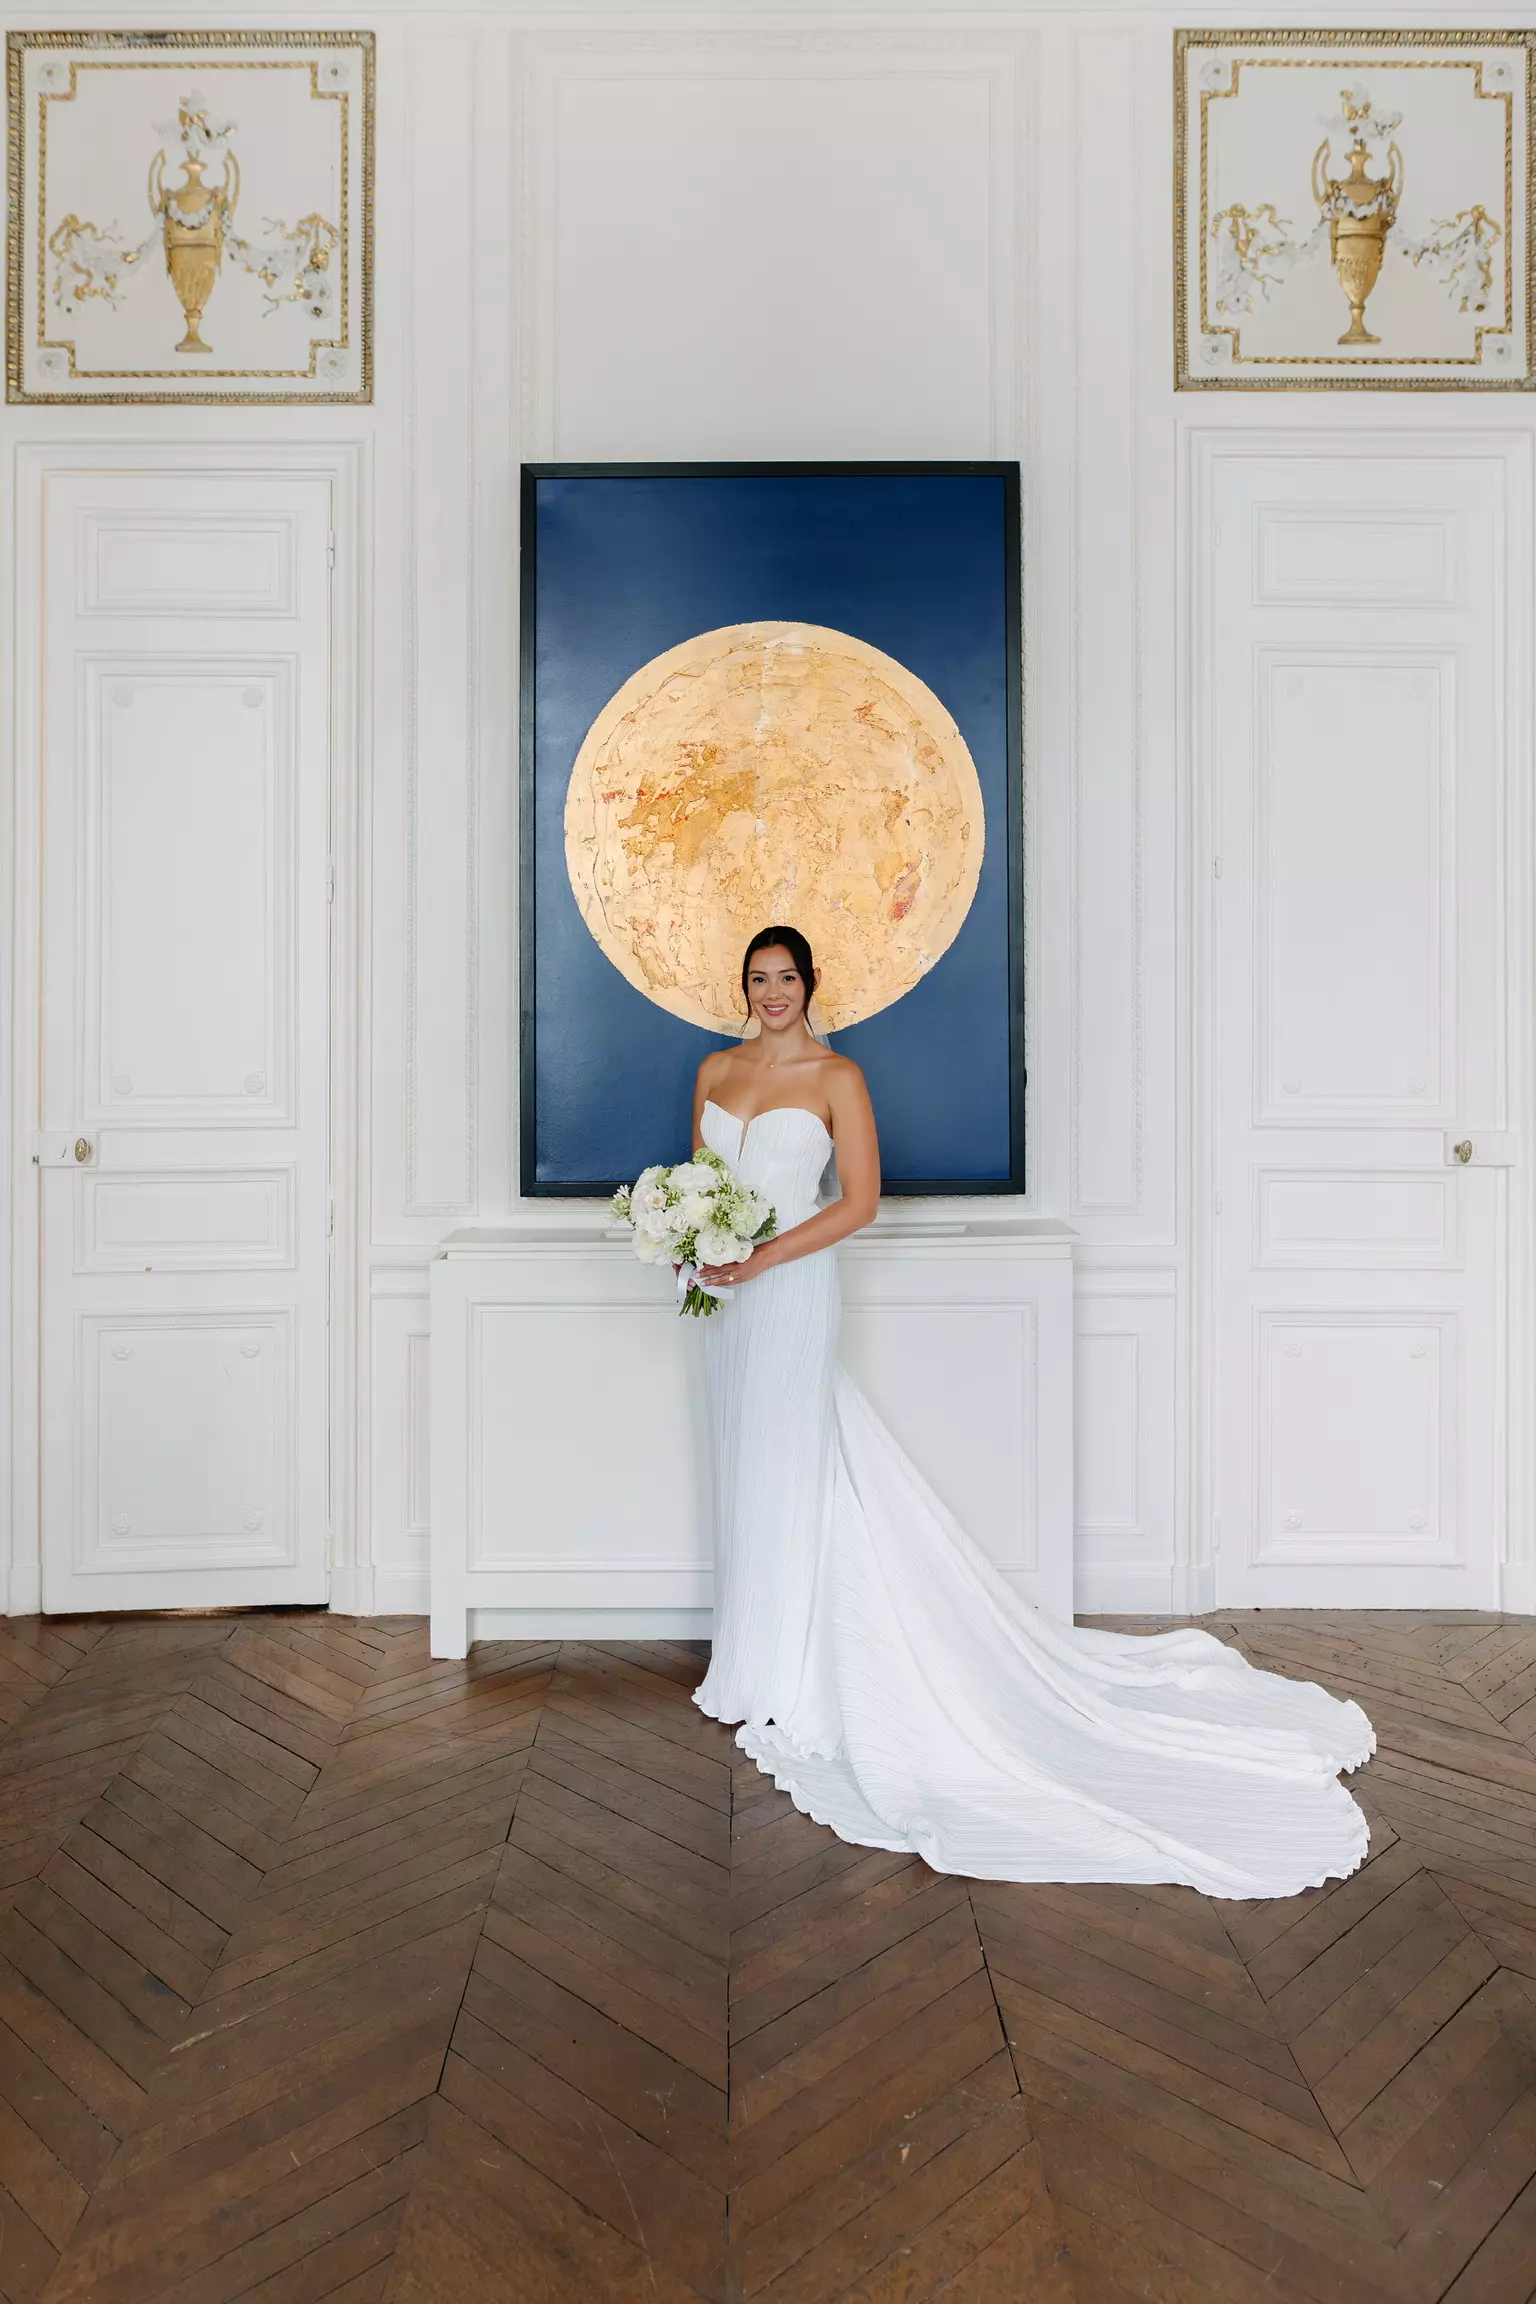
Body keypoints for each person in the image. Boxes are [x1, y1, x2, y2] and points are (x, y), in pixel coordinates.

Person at [687, 924, 1374, 1899]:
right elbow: (704, 1188)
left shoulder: (837, 1076)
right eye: (756, 977)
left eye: (786, 977)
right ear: (742, 983)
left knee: (792, 1456)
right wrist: (695, 1247)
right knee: (744, 1461)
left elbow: (860, 1203)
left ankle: (796, 1673)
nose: (771, 992)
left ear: (810, 982)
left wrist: (757, 1259)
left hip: (790, 1291)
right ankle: (749, 1659)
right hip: (724, 1300)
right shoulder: (714, 1067)